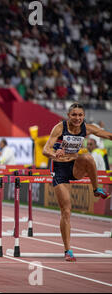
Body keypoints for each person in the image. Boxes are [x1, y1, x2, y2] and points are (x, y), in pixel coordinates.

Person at [43, 103, 112, 262]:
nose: (77, 118)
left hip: (74, 167)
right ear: (68, 115)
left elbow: (107, 135)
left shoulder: (86, 128)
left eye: (80, 115)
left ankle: (96, 189)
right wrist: (55, 154)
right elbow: (45, 150)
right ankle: (68, 250)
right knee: (66, 210)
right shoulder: (59, 128)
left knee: (87, 157)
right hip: (59, 170)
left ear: (83, 116)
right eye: (74, 115)